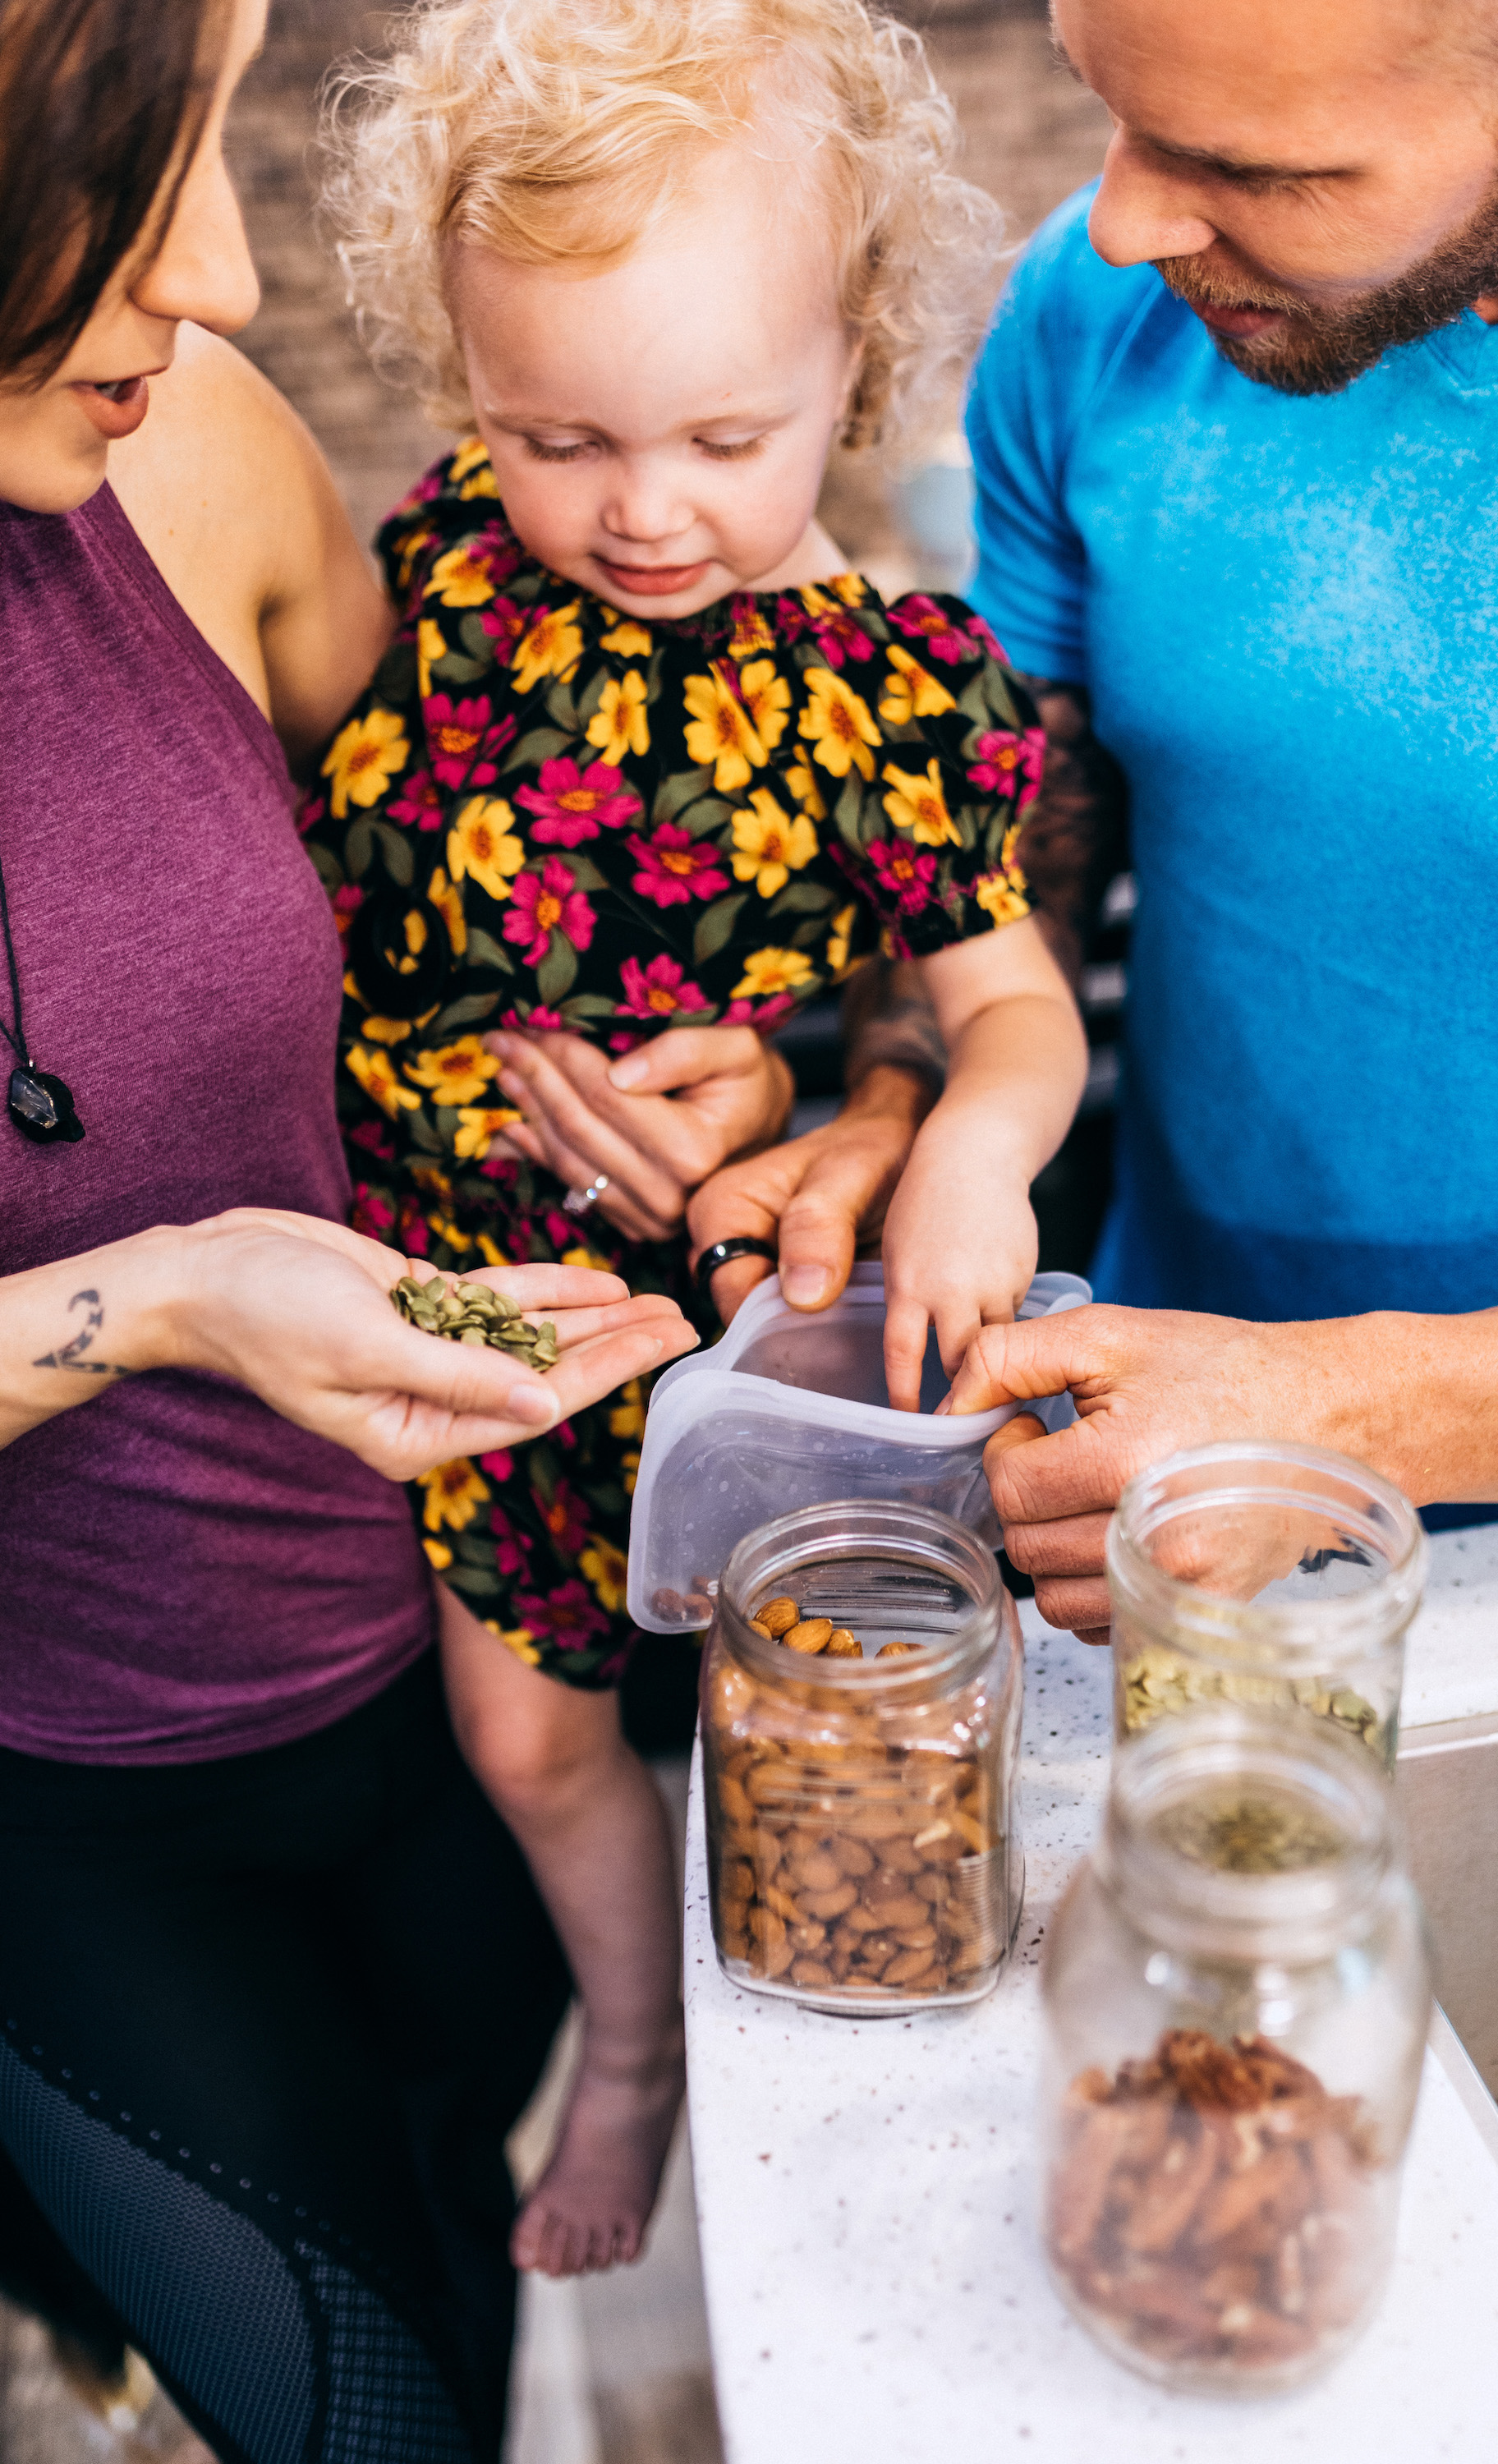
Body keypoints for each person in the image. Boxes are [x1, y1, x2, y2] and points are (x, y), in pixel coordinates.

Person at [311, 0, 1087, 2280]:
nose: (639, 507)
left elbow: (1012, 1010)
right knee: (529, 1743)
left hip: (734, 1330)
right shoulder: (443, 589)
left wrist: (953, 1133)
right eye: (553, 432)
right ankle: (628, 2047)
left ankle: (795, 2101)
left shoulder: (889, 696)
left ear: (856, 364)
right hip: (455, 1311)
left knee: (803, 1730)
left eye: (723, 434)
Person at [0, 0, 699, 2453]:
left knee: (462, 2223)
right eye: (120, 172)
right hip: (62, 1820)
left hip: (439, 1687)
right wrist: (162, 1295)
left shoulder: (169, 445)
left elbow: (452, 878)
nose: (225, 280)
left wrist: (639, 1040)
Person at [937, 0, 1498, 1630]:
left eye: (1253, 167)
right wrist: (908, 1083)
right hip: (1145, 1483)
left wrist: (1344, 1420)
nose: (1122, 223)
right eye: (1114, 116)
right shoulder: (1099, 310)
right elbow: (1030, 814)